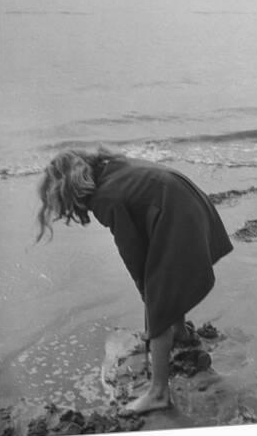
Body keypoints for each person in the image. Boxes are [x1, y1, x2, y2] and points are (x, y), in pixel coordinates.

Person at [35, 146, 234, 414]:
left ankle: (159, 393)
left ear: (67, 188)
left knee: (159, 296)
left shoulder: (106, 197)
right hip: (187, 198)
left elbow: (132, 250)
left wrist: (149, 298)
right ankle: (180, 332)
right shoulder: (110, 168)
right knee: (166, 279)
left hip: (176, 211)